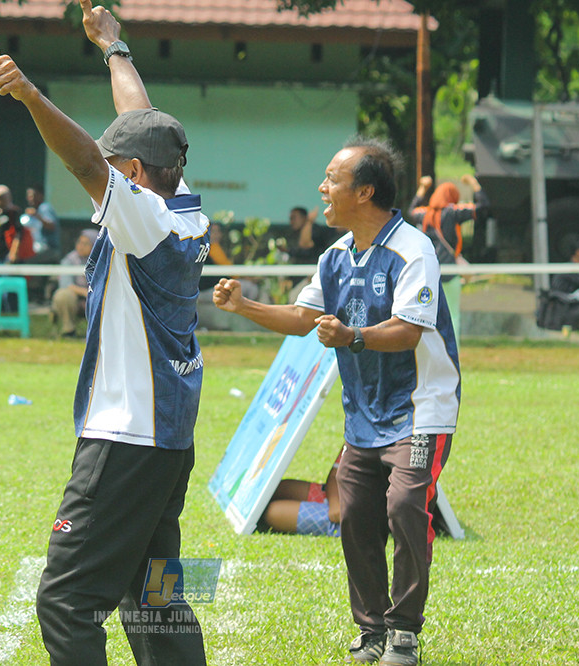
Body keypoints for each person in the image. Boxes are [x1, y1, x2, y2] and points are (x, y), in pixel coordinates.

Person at [0, 1, 209, 664]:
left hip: (125, 440)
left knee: (64, 599)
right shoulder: (182, 205)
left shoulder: (145, 220)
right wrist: (115, 47)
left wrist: (29, 95)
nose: (103, 180)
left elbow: (87, 158)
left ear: (134, 176)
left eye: (117, 168)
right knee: (156, 595)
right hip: (167, 441)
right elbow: (139, 118)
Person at [213, 138, 460, 666]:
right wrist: (244, 306)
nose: (322, 189)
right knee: (352, 514)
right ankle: (372, 632)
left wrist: (352, 336)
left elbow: (407, 333)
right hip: (364, 418)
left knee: (406, 506)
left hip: (421, 411)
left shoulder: (412, 250)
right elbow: (303, 319)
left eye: (332, 178)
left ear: (365, 191)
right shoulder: (334, 257)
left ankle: (404, 633)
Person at [407, 174, 489, 342]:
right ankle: (453, 354)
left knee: (427, 317)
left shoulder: (424, 214)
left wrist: (422, 188)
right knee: (452, 316)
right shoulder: (452, 212)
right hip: (450, 273)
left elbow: (410, 211)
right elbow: (483, 206)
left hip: (428, 274)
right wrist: (474, 184)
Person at [259, 448, 342, 537]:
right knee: (280, 488)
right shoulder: (354, 438)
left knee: (273, 512)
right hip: (342, 495)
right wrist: (334, 503)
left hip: (350, 517)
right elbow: (335, 475)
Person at [50, 229, 97, 338]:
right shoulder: (69, 260)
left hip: (97, 296)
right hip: (78, 298)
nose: (81, 246)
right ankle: (68, 330)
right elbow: (66, 284)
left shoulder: (102, 260)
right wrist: (87, 293)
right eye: (79, 242)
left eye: (85, 244)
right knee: (63, 295)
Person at [23, 184, 60, 260]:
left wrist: (37, 216)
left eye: (32, 196)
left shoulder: (44, 208)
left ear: (40, 195)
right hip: (36, 250)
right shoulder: (32, 213)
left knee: (27, 264)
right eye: (28, 196)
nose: (30, 198)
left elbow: (51, 226)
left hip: (49, 251)